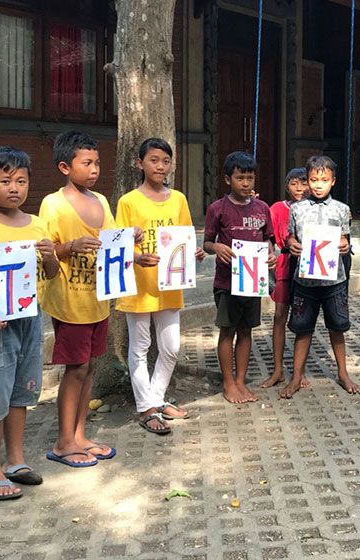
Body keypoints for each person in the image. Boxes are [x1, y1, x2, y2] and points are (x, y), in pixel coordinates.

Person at [0, 147, 60, 497]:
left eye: (21, 180)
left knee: (22, 392)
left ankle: (15, 459)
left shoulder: (38, 224)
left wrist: (50, 257)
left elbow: (49, 274)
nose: (14, 188)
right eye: (5, 181)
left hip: (30, 320)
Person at [39, 131, 118, 467]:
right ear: (64, 166)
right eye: (86, 163)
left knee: (89, 368)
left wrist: (134, 245)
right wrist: (70, 247)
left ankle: (81, 434)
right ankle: (63, 440)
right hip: (69, 300)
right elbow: (42, 251)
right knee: (76, 368)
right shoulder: (52, 204)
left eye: (97, 163)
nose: (94, 169)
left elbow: (113, 243)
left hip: (97, 299)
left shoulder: (101, 201)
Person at [116, 138, 204, 435]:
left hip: (170, 285)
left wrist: (193, 253)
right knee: (140, 347)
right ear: (140, 163)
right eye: (154, 160)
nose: (160, 166)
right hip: (139, 286)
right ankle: (147, 409)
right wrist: (138, 256)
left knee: (171, 347)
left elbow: (184, 237)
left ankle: (155, 398)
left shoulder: (178, 198)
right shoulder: (128, 202)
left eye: (165, 161)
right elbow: (118, 245)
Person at [281, 155, 358, 398]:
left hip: (335, 280)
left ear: (333, 181)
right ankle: (296, 377)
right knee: (302, 329)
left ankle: (343, 373)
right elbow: (290, 237)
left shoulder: (342, 210)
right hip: (305, 281)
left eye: (324, 180)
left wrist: (345, 245)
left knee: (337, 327)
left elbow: (346, 240)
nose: (318, 184)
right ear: (307, 181)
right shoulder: (297, 209)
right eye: (313, 179)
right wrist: (292, 244)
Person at [203, 151, 276, 404]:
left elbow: (269, 240)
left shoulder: (262, 208)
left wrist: (271, 253)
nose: (245, 183)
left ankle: (241, 381)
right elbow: (207, 243)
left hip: (253, 280)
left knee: (246, 331)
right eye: (240, 178)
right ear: (227, 179)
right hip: (227, 282)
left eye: (250, 178)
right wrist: (217, 249)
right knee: (228, 330)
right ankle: (228, 383)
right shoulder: (217, 209)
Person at [261, 167, 310, 389]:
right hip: (283, 264)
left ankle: (300, 371)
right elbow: (268, 236)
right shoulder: (277, 209)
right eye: (294, 184)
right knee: (280, 315)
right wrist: (269, 252)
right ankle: (278, 369)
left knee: (304, 319)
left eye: (303, 183)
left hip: (308, 267)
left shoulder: (314, 208)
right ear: (286, 186)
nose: (299, 188)